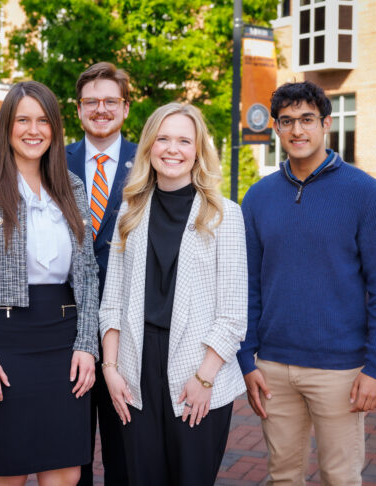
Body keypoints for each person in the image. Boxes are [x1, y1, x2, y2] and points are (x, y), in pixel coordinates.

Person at [237, 81, 376, 485]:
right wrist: (246, 360)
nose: (298, 131)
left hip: (340, 370)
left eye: (307, 119)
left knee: (340, 477)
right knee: (284, 476)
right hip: (273, 368)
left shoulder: (365, 193)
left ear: (326, 123)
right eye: (287, 121)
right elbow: (248, 287)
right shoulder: (257, 198)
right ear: (275, 128)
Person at [0, 80, 99, 486]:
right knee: (10, 473)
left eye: (43, 121)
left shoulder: (73, 187)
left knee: (65, 472)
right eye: (22, 120)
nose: (34, 130)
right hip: (2, 343)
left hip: (64, 343)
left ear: (55, 128)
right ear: (6, 128)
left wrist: (87, 344)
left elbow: (87, 274)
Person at [99, 102, 248, 486]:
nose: (172, 149)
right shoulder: (130, 211)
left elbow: (233, 315)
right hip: (135, 368)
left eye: (184, 140)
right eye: (163, 138)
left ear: (198, 150)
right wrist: (110, 370)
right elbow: (112, 301)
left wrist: (204, 379)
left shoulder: (224, 214)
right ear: (149, 146)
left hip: (198, 368)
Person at [66, 61, 137, 486]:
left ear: (126, 108)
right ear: (78, 110)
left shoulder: (149, 161)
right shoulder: (55, 160)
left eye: (111, 101)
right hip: (64, 326)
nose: (101, 109)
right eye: (91, 102)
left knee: (123, 451)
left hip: (127, 330)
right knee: (71, 453)